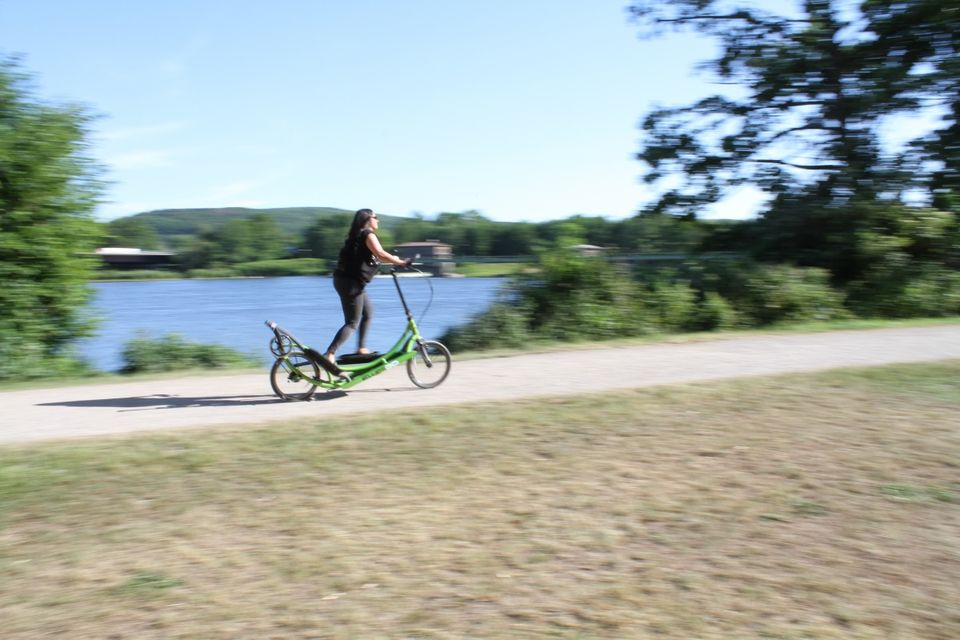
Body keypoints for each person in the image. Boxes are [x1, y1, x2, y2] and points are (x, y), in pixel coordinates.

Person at [323, 208, 409, 363]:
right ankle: (330, 354)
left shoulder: (357, 236)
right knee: (352, 323)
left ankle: (361, 348)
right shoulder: (367, 234)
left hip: (347, 281)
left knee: (368, 313)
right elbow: (381, 254)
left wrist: (394, 259)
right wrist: (401, 262)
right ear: (368, 219)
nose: (378, 220)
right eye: (376, 217)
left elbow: (374, 257)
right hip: (350, 283)